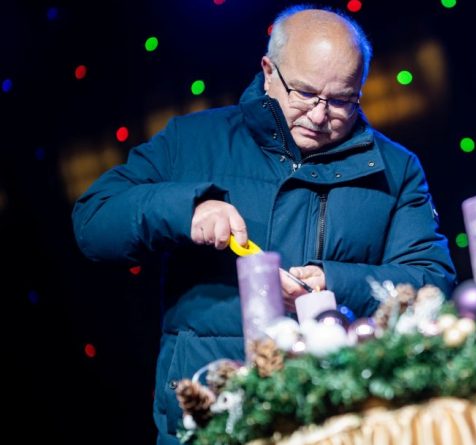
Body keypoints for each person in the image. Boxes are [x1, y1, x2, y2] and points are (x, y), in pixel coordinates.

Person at [72, 5, 456, 445]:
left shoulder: (396, 168)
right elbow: (93, 221)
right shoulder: (192, 141)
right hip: (211, 419)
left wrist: (335, 281)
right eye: (305, 94)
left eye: (341, 100)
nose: (319, 115)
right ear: (268, 71)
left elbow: (432, 282)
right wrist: (185, 210)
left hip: (345, 421)